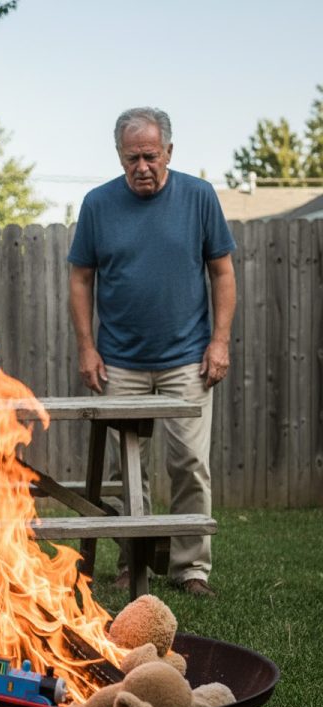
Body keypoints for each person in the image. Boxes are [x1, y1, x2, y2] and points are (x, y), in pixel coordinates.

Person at [67, 107, 237, 598]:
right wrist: (87, 348)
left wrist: (220, 341)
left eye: (150, 155)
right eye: (131, 158)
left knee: (190, 464)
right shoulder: (99, 204)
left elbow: (222, 272)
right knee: (127, 472)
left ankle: (191, 569)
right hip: (119, 361)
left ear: (169, 152)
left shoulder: (199, 197)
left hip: (188, 359)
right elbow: (81, 278)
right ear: (118, 157)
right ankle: (133, 562)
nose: (141, 166)